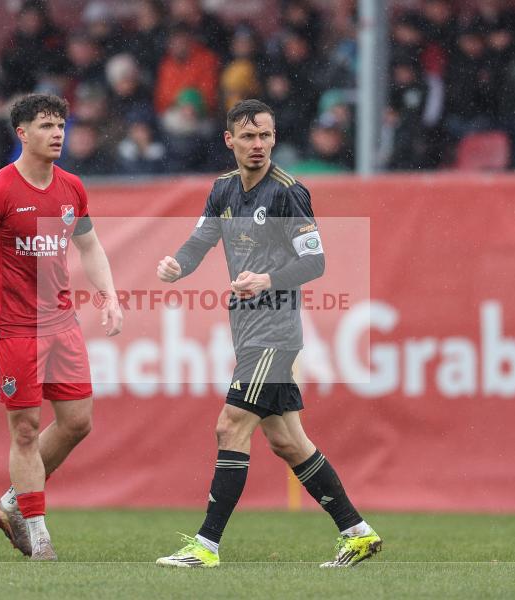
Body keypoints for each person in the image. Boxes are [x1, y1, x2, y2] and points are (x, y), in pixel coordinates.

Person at [154, 99, 381, 569]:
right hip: (247, 328)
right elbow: (201, 240)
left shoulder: (288, 192)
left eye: (266, 136)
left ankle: (206, 546)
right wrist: (178, 264)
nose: (258, 145)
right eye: (249, 136)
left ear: (273, 138)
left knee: (230, 425)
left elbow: (315, 261)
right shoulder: (222, 190)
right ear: (229, 141)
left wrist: (266, 280)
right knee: (287, 441)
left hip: (275, 332)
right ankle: (357, 532)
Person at [0, 94, 123, 561]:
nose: (58, 133)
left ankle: (11, 502)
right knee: (25, 430)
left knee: (78, 421)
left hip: (61, 323)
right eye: (47, 125)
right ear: (22, 133)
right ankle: (38, 534)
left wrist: (108, 294)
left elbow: (89, 246)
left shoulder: (71, 187)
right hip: (17, 327)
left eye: (62, 124)